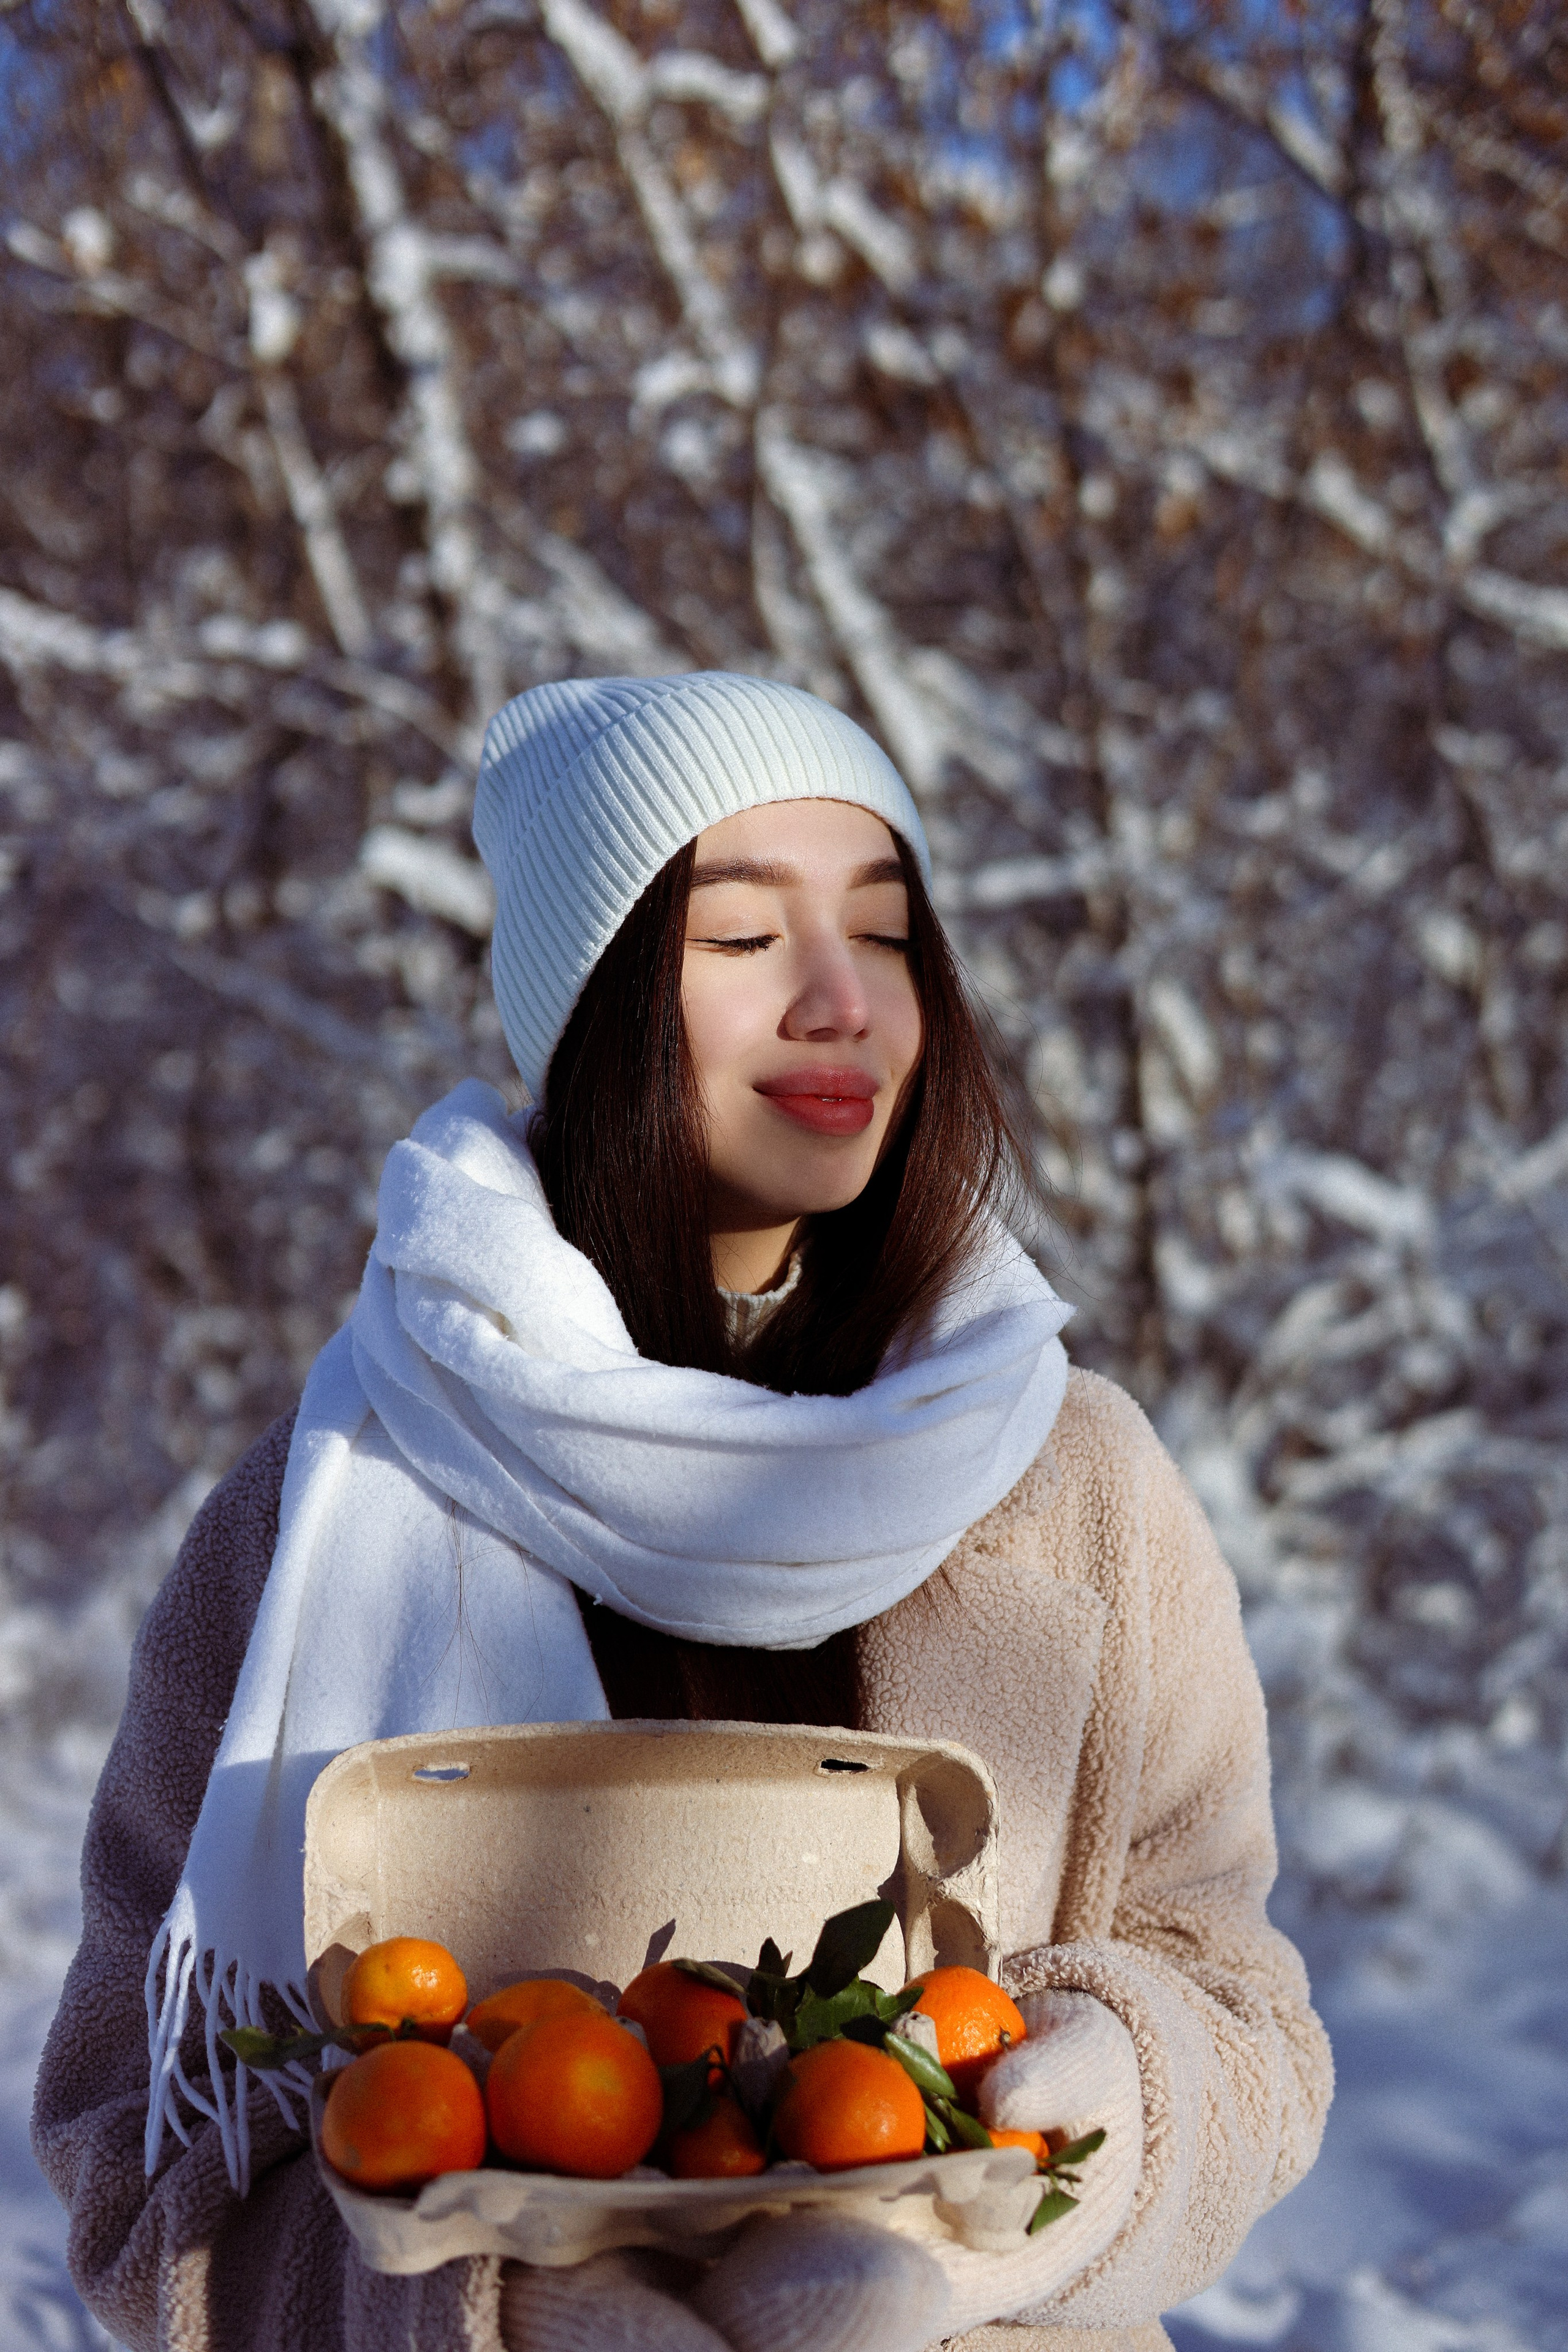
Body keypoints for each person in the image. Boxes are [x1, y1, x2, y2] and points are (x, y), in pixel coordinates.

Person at [33, 673, 1331, 2352]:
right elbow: (141, 2158)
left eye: (885, 935)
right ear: (596, 1001)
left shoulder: (1073, 1485)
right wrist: (510, 2311)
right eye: (741, 941)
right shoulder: (329, 1507)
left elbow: (1242, 2022)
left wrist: (1048, 2156)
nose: (838, 1002)